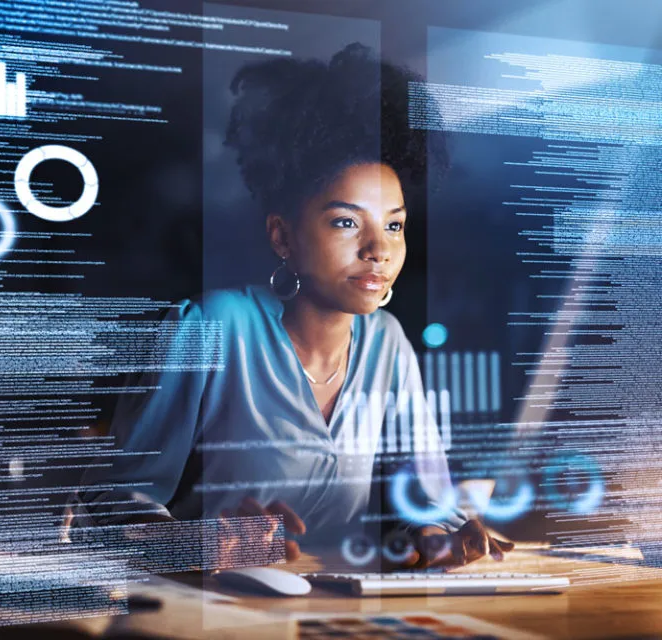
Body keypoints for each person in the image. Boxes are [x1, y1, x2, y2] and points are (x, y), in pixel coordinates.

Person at [71, 43, 512, 569]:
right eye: (346, 222)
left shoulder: (388, 342)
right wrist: (200, 541)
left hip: (333, 608)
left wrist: (437, 533)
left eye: (394, 224)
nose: (379, 249)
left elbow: (430, 500)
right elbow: (112, 499)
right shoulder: (214, 328)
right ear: (283, 236)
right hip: (203, 607)